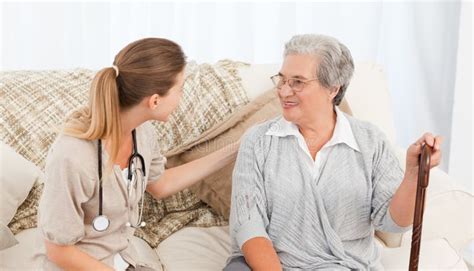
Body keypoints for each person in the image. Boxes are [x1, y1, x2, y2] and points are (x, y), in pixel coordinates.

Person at [225, 34, 443, 270]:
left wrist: (412, 173)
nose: (284, 91)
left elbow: (395, 222)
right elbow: (249, 225)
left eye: (297, 82)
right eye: (282, 79)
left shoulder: (370, 141)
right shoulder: (257, 141)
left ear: (332, 89)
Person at [38, 37, 238, 270]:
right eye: (180, 90)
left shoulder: (142, 133)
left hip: (122, 258)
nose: (181, 98)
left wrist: (236, 149)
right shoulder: (72, 156)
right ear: (154, 100)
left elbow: (159, 184)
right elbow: (58, 251)